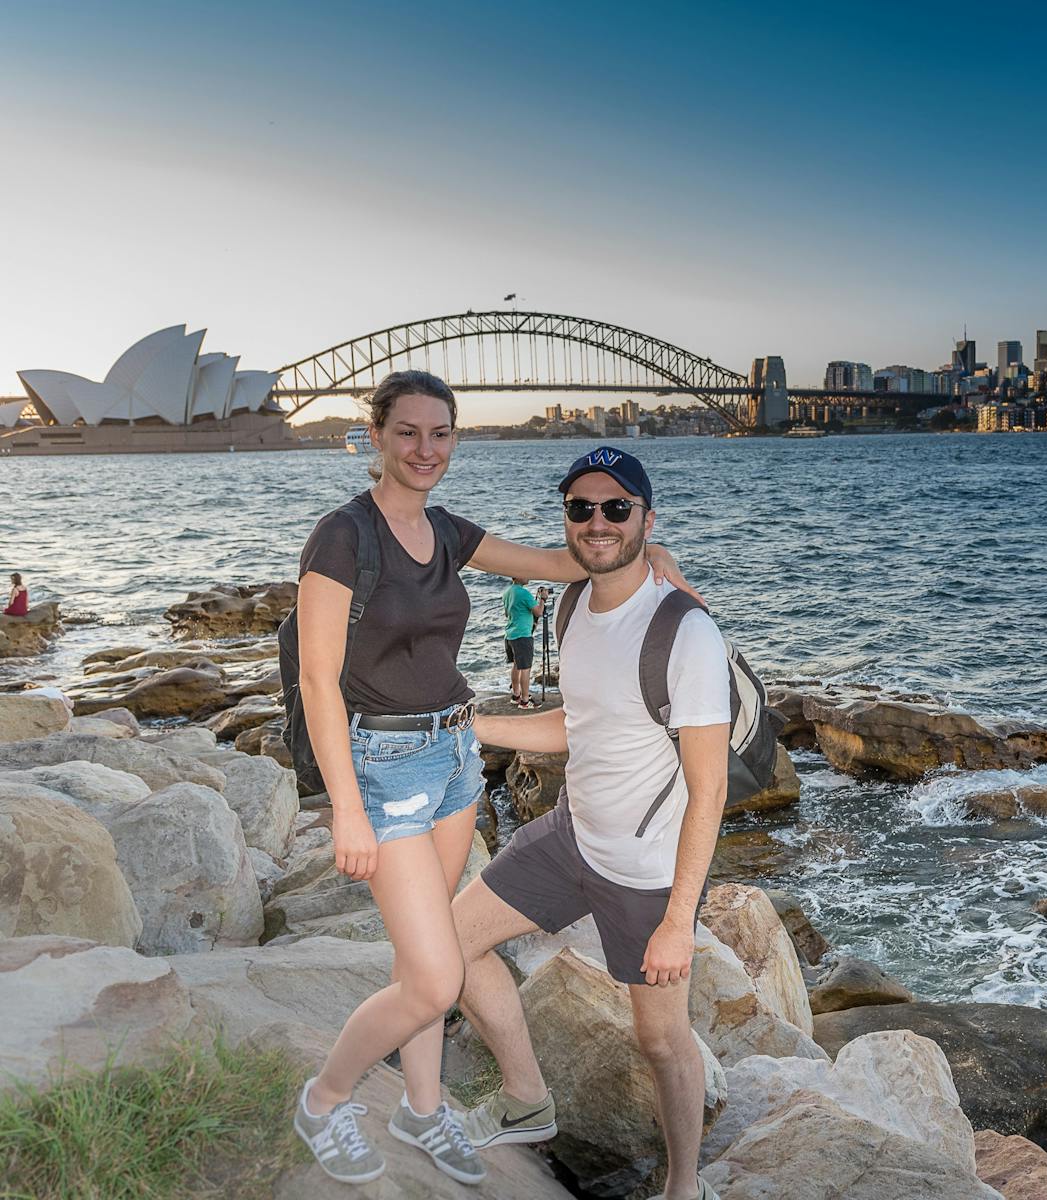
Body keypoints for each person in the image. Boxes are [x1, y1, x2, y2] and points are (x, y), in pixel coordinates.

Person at [290, 377, 695, 1187]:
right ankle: (324, 1101)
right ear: (376, 436)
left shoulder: (444, 531)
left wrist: (653, 557)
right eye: (407, 433)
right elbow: (315, 680)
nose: (425, 450)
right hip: (386, 768)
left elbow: (558, 562)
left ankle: (422, 1107)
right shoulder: (342, 537)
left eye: (440, 434)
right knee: (438, 976)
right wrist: (346, 811)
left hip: (453, 757)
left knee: (422, 959)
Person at [453, 447, 730, 1200]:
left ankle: (683, 1187)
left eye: (617, 508)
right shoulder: (572, 602)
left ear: (646, 517)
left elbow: (709, 791)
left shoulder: (687, 633)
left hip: (647, 874)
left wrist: (679, 920)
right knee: (451, 944)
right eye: (581, 508)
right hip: (571, 837)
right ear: (566, 518)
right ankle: (525, 1100)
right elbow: (578, 726)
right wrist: (473, 726)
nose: (598, 522)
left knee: (661, 1040)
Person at [502, 576, 538, 707]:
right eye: (524, 573)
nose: (528, 575)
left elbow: (507, 614)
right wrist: (542, 600)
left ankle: (516, 695)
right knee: (526, 669)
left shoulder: (507, 592)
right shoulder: (524, 593)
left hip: (510, 635)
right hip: (523, 635)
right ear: (516, 576)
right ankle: (524, 701)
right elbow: (538, 612)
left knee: (517, 665)